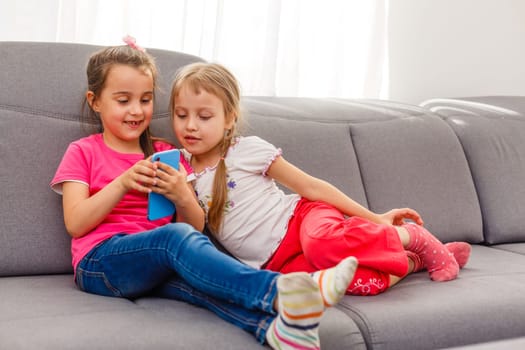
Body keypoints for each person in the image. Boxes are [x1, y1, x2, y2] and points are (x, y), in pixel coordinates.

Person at [50, 40, 359, 349]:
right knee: (172, 239)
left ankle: (277, 331)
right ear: (96, 101)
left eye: (145, 100)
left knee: (204, 283)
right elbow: (76, 223)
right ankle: (282, 291)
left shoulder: (166, 152)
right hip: (100, 263)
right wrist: (121, 183)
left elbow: (194, 228)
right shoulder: (83, 151)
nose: (136, 110)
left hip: (156, 263)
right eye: (123, 100)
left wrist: (182, 195)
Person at [169, 62, 472, 296]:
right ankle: (412, 262)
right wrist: (181, 192)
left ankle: (414, 237)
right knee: (342, 284)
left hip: (302, 221)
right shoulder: (180, 168)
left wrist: (376, 218)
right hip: (275, 263)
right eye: (181, 115)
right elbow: (193, 229)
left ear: (230, 118)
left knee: (322, 246)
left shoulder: (246, 150)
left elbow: (310, 186)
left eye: (204, 117)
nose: (191, 126)